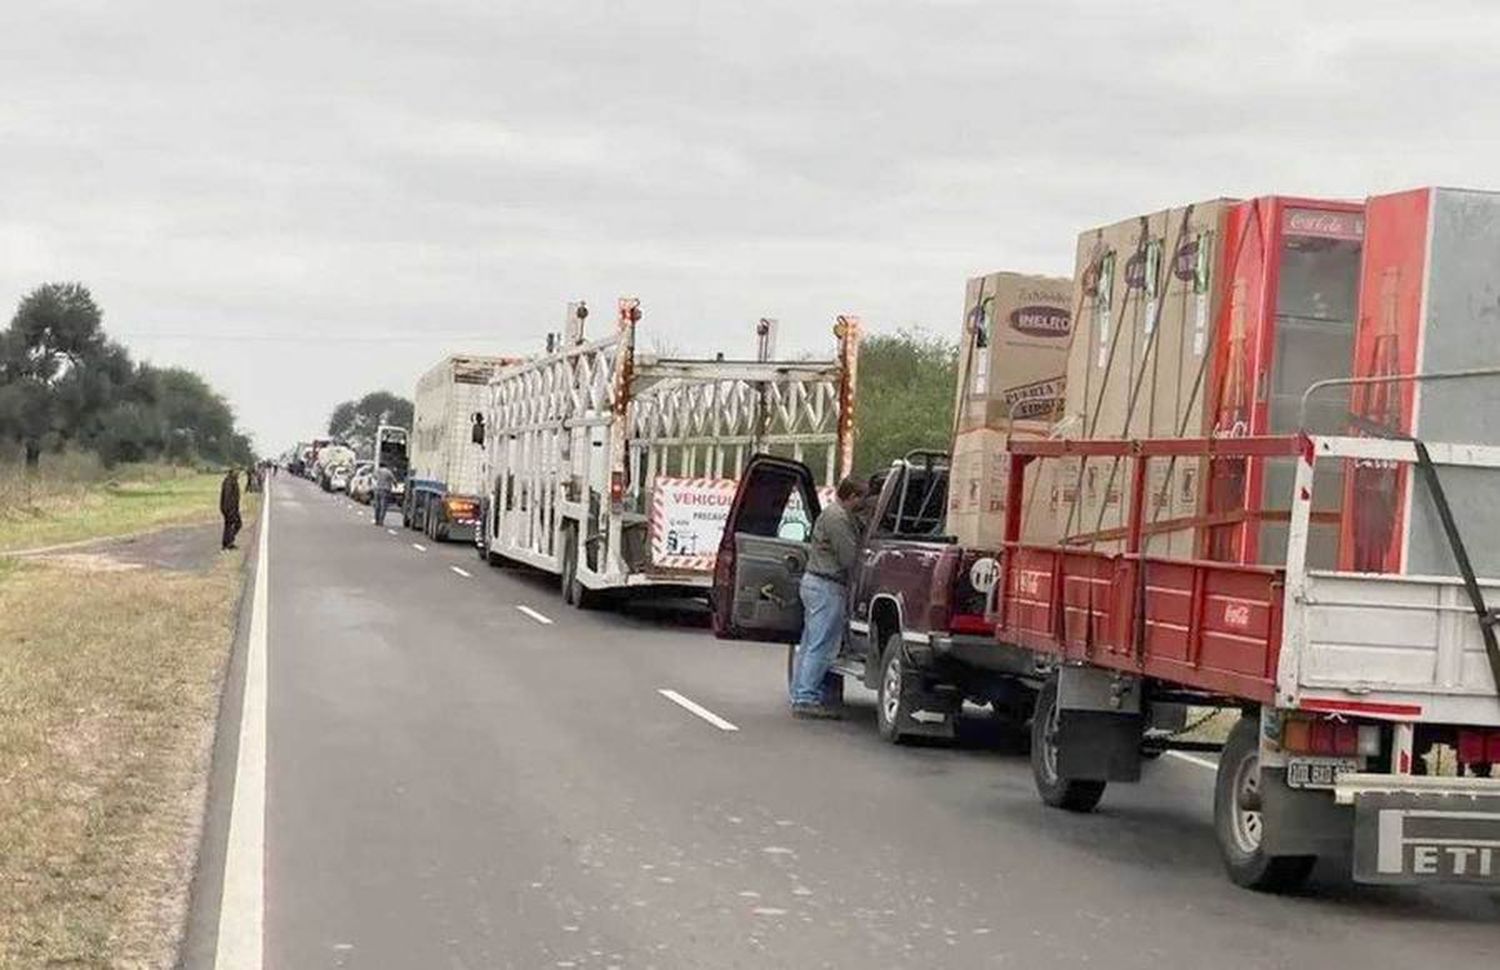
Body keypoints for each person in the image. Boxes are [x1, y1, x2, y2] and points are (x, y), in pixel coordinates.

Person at [789, 476, 867, 719]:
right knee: (822, 645)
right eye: (862, 497)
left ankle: (801, 693)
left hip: (817, 585)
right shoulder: (838, 519)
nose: (864, 503)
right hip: (827, 587)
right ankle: (806, 698)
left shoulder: (835, 515)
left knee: (811, 643)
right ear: (852, 496)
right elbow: (849, 557)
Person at [220, 467, 242, 550]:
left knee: (229, 525)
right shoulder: (229, 481)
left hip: (233, 508)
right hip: (230, 508)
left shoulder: (232, 480)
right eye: (237, 471)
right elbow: (227, 496)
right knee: (235, 524)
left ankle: (227, 542)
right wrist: (229, 510)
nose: (238, 473)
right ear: (232, 471)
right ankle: (228, 542)